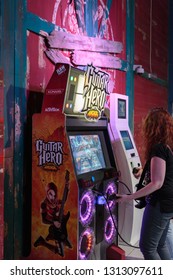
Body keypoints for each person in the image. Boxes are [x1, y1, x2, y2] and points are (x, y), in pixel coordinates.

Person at [116, 107, 173, 260]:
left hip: (160, 204)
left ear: (152, 127)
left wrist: (129, 197)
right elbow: (164, 172)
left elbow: (157, 183)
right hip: (168, 203)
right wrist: (143, 170)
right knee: (160, 245)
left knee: (147, 247)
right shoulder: (167, 146)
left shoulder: (158, 148)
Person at [34, 170, 72, 257]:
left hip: (61, 227)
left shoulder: (55, 201)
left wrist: (67, 188)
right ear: (47, 193)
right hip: (54, 229)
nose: (52, 197)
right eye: (50, 194)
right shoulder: (43, 204)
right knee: (60, 253)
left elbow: (63, 201)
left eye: (54, 195)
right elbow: (43, 220)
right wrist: (53, 222)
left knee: (70, 246)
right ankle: (42, 242)